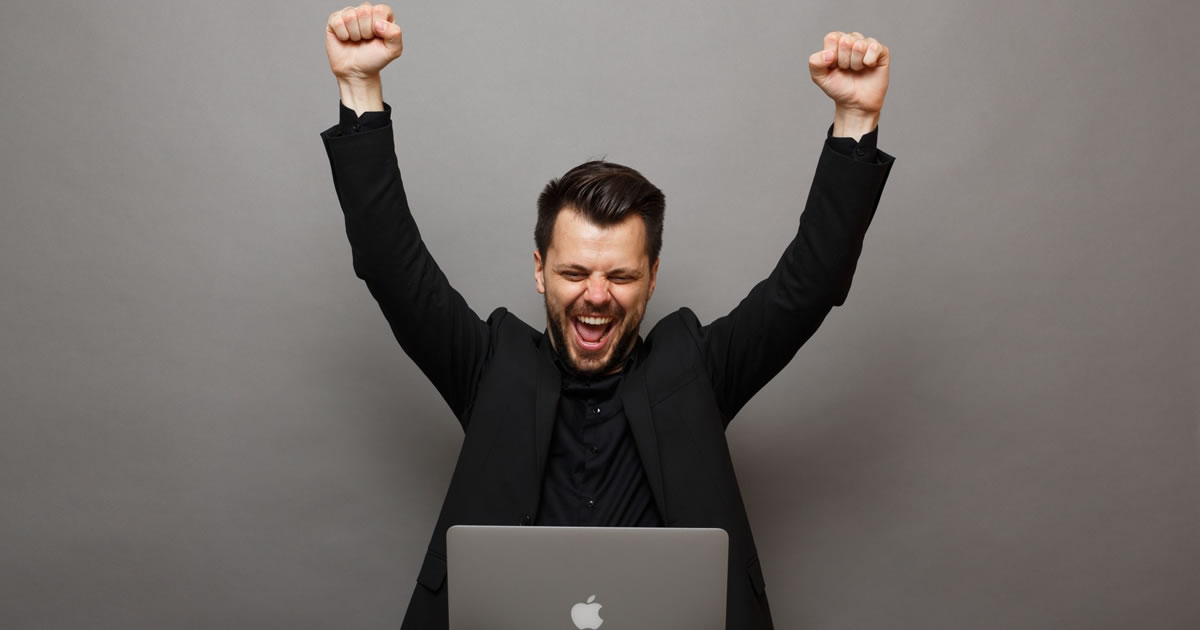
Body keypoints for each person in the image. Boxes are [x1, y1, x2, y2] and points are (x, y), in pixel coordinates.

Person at [320, 4, 894, 629]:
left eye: (620, 276)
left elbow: (808, 283)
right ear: (540, 270)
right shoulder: (491, 367)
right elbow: (389, 262)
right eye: (573, 274)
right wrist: (360, 87)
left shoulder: (695, 370)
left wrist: (855, 118)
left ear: (650, 278)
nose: (596, 295)